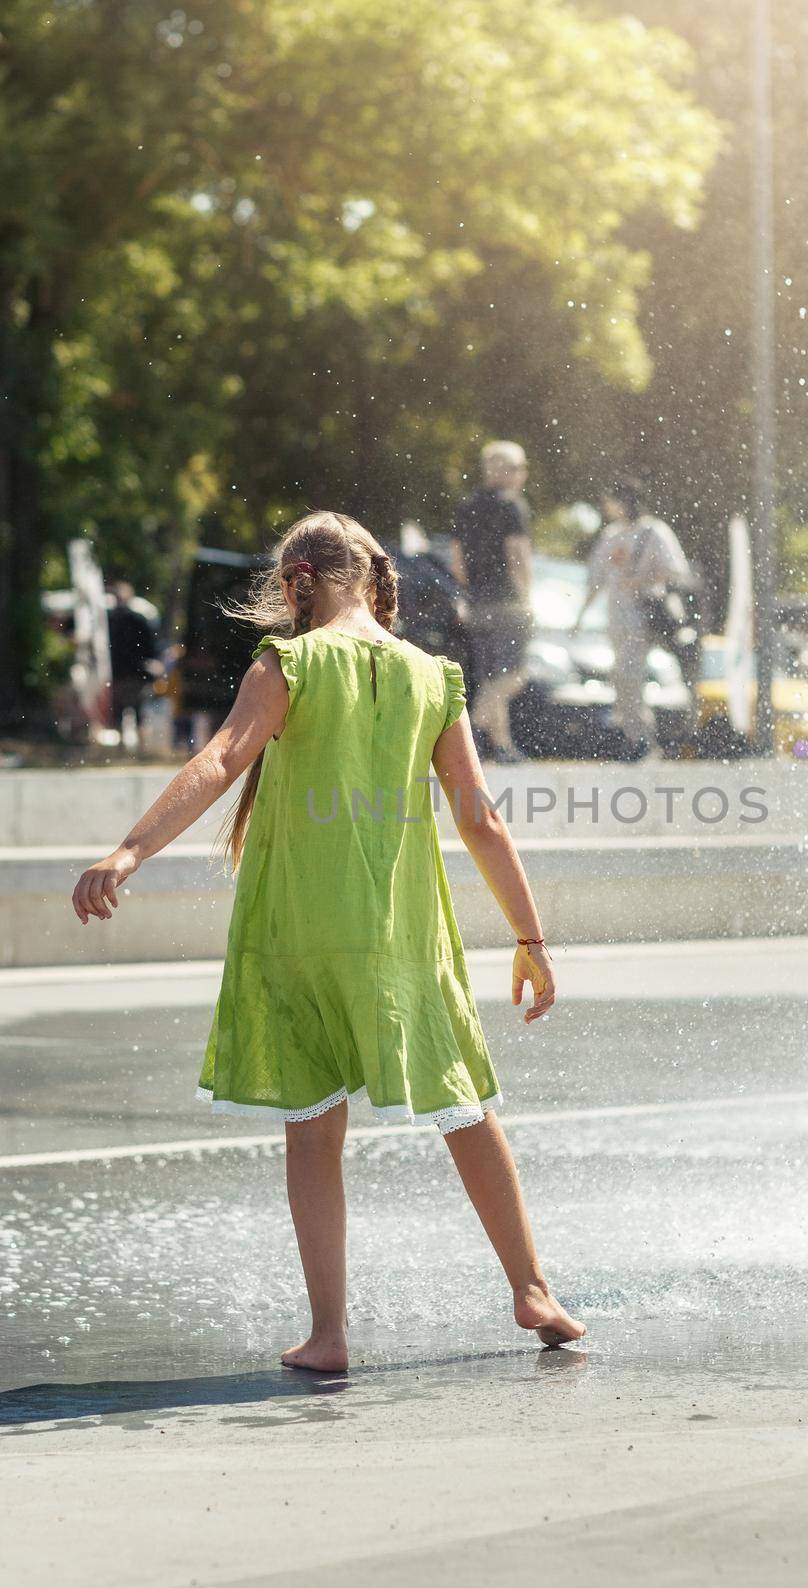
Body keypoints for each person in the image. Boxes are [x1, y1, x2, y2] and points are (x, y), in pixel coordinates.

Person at [71, 511, 585, 1372]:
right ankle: (532, 1288)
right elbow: (481, 819)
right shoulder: (432, 674)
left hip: (300, 931)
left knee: (314, 1130)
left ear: (293, 585)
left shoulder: (289, 663)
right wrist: (530, 936)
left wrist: (130, 851)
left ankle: (330, 1334)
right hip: (403, 935)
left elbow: (222, 760)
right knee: (464, 1104)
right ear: (375, 579)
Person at [571, 479, 695, 758]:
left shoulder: (654, 531)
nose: (606, 507)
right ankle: (633, 732)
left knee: (631, 674)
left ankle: (640, 736)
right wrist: (580, 616)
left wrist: (639, 580)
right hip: (616, 617)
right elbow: (596, 580)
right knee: (622, 676)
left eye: (611, 501)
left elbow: (675, 571)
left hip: (642, 615)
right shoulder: (611, 535)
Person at [450, 440, 535, 763]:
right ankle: (471, 725)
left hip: (477, 604)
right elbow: (518, 557)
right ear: (499, 470)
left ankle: (503, 748)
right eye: (517, 468)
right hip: (508, 603)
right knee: (514, 675)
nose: (521, 474)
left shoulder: (465, 506)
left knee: (490, 676)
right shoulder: (511, 505)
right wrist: (526, 598)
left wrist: (472, 593)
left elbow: (458, 563)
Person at [106, 580, 161, 732]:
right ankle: (124, 746)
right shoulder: (113, 619)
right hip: (124, 672)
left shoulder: (117, 619)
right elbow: (151, 646)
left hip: (131, 672)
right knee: (124, 711)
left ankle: (131, 747)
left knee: (132, 711)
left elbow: (149, 645)